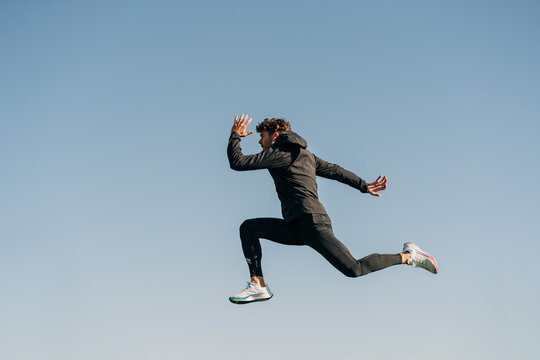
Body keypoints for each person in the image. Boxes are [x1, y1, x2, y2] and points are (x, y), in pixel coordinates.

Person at [227, 114, 438, 304]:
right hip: (297, 225)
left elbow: (238, 162)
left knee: (354, 269)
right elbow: (336, 171)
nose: (259, 140)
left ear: (275, 135)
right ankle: (259, 286)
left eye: (262, 136)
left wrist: (235, 136)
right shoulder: (306, 155)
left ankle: (409, 255)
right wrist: (363, 185)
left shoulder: (279, 151)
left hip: (311, 223)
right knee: (249, 228)